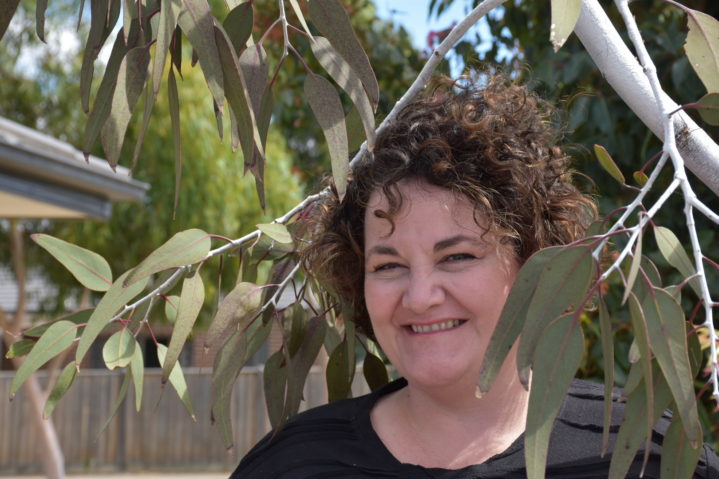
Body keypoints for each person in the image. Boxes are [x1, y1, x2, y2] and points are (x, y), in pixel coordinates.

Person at [230, 74, 719, 478]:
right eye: (388, 266)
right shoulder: (292, 466)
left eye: (457, 256)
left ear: (534, 263)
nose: (420, 297)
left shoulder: (646, 457)